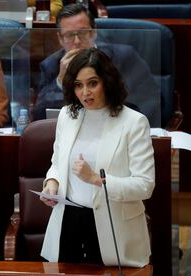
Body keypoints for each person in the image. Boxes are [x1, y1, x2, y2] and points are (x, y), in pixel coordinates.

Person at [40, 48, 155, 267]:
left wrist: (95, 179)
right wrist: (52, 183)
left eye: (92, 83)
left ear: (107, 82)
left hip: (113, 227)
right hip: (68, 221)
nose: (85, 92)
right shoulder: (67, 115)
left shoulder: (134, 123)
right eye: (78, 85)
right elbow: (57, 162)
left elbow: (144, 186)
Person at [33, 3, 159, 126]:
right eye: (69, 35)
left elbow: (149, 101)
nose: (76, 42)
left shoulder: (124, 56)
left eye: (82, 33)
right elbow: (40, 116)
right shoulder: (51, 65)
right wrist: (60, 82)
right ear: (60, 39)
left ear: (94, 32)